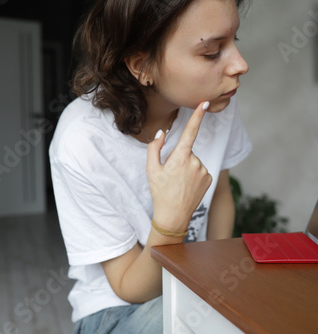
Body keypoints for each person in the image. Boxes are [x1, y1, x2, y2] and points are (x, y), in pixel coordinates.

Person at [49, 0, 251, 333]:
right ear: (142, 66)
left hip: (193, 286)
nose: (239, 65)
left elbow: (220, 194)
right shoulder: (81, 142)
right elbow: (129, 286)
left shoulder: (217, 100)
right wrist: (171, 222)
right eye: (212, 52)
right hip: (119, 309)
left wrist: (218, 284)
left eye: (234, 42)